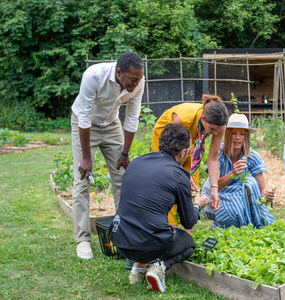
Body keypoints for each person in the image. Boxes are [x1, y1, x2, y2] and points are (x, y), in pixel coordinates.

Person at [109, 123, 207, 293]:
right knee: (188, 243)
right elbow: (188, 221)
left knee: (150, 222)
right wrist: (197, 203)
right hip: (148, 244)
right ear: (183, 152)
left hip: (119, 240)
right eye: (189, 151)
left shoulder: (136, 162)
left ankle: (137, 270)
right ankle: (160, 267)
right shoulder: (179, 174)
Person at [71, 51, 145, 259]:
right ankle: (83, 240)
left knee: (123, 177)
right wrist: (87, 157)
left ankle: (123, 233)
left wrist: (125, 152)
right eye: (133, 79)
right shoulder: (94, 76)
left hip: (112, 124)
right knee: (82, 179)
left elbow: (132, 118)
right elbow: (84, 118)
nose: (137, 83)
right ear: (119, 72)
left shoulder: (138, 80)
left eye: (139, 78)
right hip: (84, 125)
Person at [151, 94, 229, 227]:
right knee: (170, 182)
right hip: (168, 139)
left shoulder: (219, 126)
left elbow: (213, 159)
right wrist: (182, 174)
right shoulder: (181, 118)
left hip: (190, 141)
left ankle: (188, 229)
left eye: (218, 130)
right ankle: (171, 227)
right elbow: (171, 162)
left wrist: (214, 189)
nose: (215, 134)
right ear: (203, 118)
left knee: (192, 186)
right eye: (212, 130)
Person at [201, 113, 275, 230]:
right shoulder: (218, 153)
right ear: (227, 134)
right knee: (231, 211)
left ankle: (243, 224)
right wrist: (232, 174)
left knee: (250, 182)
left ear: (246, 137)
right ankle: (231, 223)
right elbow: (215, 186)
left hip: (238, 198)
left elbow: (262, 189)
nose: (237, 138)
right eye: (234, 133)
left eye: (242, 134)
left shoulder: (251, 155)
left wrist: (266, 195)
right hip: (218, 196)